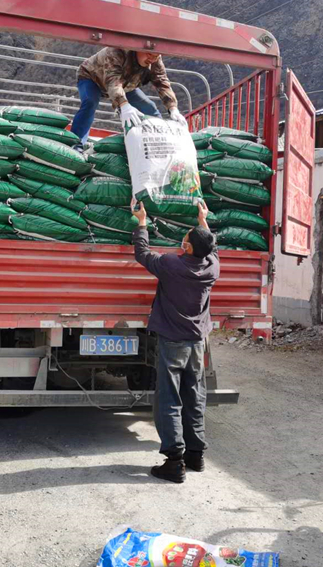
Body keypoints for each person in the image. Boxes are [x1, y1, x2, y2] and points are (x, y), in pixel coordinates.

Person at [131, 199, 219, 483]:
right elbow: (212, 248)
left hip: (172, 341)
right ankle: (196, 455)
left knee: (169, 399)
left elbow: (143, 254)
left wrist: (142, 221)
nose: (182, 240)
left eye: (186, 239)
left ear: (189, 248)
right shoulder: (212, 268)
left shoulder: (171, 264)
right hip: (196, 342)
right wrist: (203, 220)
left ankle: (174, 462)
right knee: (195, 397)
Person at [72, 48, 187, 149]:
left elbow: (161, 81)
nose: (151, 59)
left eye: (155, 56)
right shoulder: (117, 52)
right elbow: (112, 80)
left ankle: (162, 141)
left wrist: (172, 107)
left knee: (149, 108)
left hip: (125, 85)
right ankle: (76, 144)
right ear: (138, 49)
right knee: (90, 102)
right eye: (149, 54)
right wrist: (123, 104)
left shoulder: (155, 59)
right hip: (92, 78)